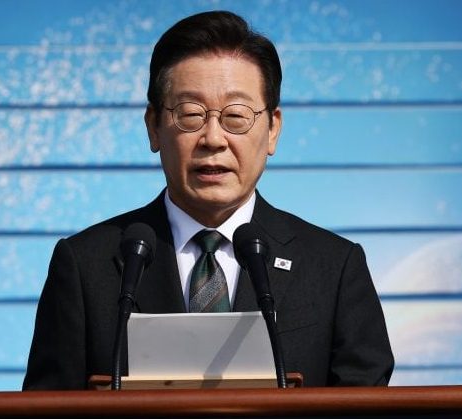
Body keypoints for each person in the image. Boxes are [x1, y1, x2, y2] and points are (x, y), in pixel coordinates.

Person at [23, 10, 393, 389]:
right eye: (190, 114)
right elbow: (47, 407)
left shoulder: (334, 267)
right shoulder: (85, 266)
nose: (213, 139)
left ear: (272, 130)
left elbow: (365, 404)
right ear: (153, 127)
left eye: (236, 116)